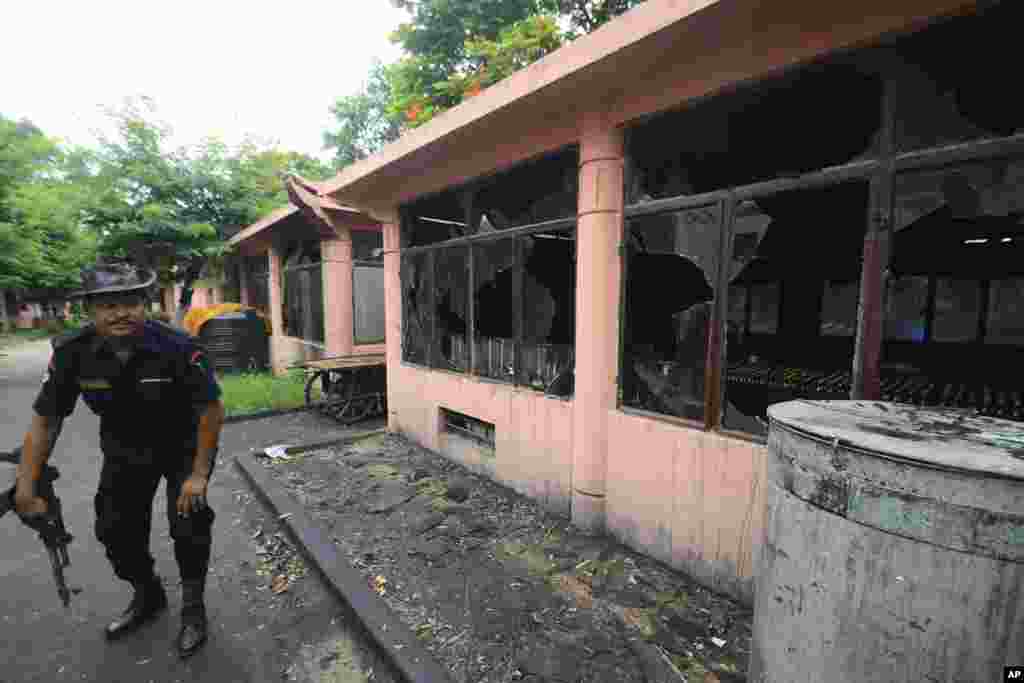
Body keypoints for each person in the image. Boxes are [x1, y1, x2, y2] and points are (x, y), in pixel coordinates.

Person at [13, 260, 224, 658]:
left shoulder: (179, 347)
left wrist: (198, 474)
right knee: (115, 531)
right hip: (125, 448)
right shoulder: (73, 353)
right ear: (90, 309)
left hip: (182, 446)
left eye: (129, 302)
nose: (119, 313)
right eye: (107, 305)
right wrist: (26, 486)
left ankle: (193, 608)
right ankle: (148, 594)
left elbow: (211, 411)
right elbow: (47, 420)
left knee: (189, 522)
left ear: (144, 303)